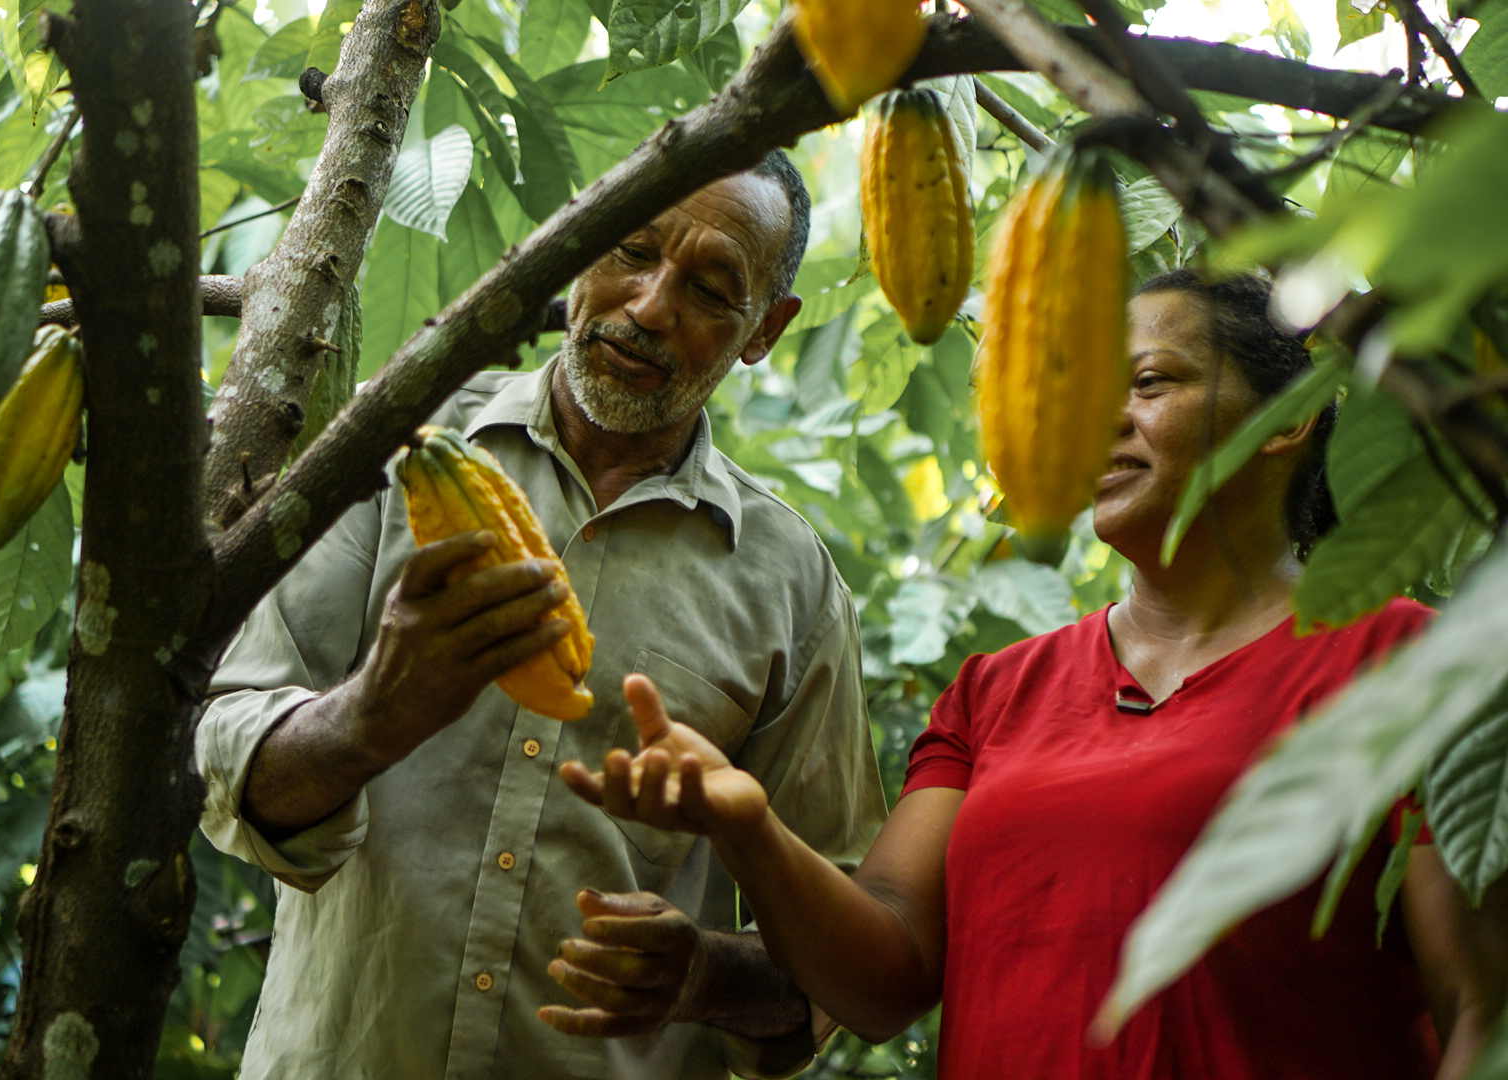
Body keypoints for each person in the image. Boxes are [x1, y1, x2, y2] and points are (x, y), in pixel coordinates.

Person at [559, 270, 1508, 1080]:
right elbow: (885, 979)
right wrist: (750, 829)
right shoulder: (999, 689)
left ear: (1282, 423)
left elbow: (1482, 1008)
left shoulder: (1408, 663)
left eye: (1147, 383)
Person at [195, 151, 888, 1080]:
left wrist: (704, 978)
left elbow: (848, 957)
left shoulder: (791, 585)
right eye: (631, 252)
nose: (648, 308)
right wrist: (370, 717)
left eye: (711, 289)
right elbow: (222, 756)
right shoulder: (395, 451)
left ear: (764, 330)